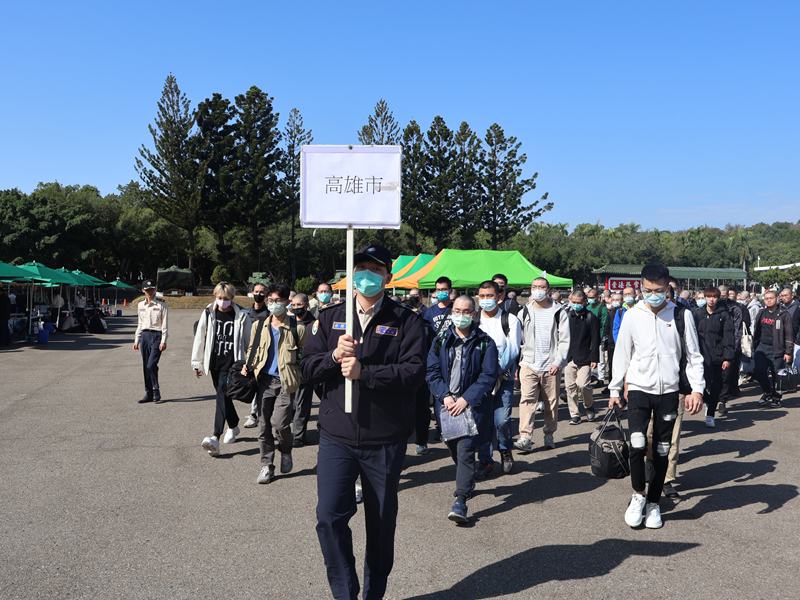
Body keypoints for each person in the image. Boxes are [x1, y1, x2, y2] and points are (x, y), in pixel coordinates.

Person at [301, 244, 427, 600]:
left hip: (384, 439)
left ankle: (374, 594)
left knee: (381, 525)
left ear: (388, 276)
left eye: (375, 270)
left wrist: (365, 373)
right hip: (337, 437)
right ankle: (345, 592)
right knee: (329, 517)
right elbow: (307, 367)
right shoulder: (329, 318)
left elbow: (414, 374)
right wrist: (333, 357)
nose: (367, 276)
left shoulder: (407, 321)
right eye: (361, 269)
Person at [610, 264, 705, 529]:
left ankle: (653, 503)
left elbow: (693, 355)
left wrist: (697, 389)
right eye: (648, 290)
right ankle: (638, 495)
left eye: (658, 290)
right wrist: (615, 389)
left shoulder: (681, 315)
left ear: (667, 288)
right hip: (639, 389)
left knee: (662, 449)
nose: (653, 295)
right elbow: (622, 353)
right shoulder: (632, 315)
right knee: (637, 443)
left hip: (669, 391)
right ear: (641, 287)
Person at [427, 295, 498, 524]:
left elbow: (488, 375)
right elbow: (432, 371)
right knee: (455, 450)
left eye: (466, 311)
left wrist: (467, 399)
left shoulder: (485, 342)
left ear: (474, 314)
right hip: (446, 406)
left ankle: (461, 500)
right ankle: (466, 479)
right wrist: (444, 396)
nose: (461, 315)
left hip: (471, 407)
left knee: (466, 449)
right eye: (457, 310)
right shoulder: (441, 340)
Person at [244, 283, 306, 484]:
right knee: (263, 426)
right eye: (270, 300)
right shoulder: (259, 325)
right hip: (264, 381)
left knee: (280, 424)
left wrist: (300, 375)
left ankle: (285, 450)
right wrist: (248, 365)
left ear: (287, 301)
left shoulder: (298, 328)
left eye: (277, 300)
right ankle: (267, 465)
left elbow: (305, 356)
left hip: (286, 382)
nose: (273, 304)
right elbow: (252, 348)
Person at [191, 282, 249, 456]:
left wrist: (248, 364)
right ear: (215, 297)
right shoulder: (209, 312)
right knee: (223, 396)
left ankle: (215, 436)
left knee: (222, 395)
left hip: (232, 364)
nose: (223, 301)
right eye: (220, 298)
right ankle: (234, 424)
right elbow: (200, 337)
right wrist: (197, 362)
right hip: (214, 362)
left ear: (232, 298)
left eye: (226, 298)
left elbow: (249, 341)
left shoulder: (242, 315)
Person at [514, 277, 570, 453]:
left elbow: (564, 339)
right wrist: (517, 363)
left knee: (551, 402)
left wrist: (558, 361)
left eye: (541, 287)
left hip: (551, 365)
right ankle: (525, 437)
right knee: (527, 400)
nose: (538, 290)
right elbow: (517, 338)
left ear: (548, 290)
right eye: (534, 287)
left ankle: (549, 433)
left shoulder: (559, 312)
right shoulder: (524, 311)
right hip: (529, 363)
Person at [476, 280, 522, 476]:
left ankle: (505, 449)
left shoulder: (510, 320)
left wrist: (495, 371)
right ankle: (485, 460)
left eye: (490, 296)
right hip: (478, 382)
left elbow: (513, 349)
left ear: (499, 297)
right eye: (482, 296)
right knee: (482, 422)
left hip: (503, 378)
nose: (485, 300)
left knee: (501, 420)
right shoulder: (473, 319)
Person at [691, 287, 735, 427]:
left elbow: (728, 336)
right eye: (709, 297)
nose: (711, 300)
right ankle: (707, 401)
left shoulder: (724, 315)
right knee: (702, 383)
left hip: (718, 356)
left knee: (716, 385)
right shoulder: (697, 314)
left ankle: (710, 414)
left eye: (714, 297)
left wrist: (727, 357)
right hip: (701, 355)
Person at [752, 290, 794, 408]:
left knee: (777, 375)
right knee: (758, 371)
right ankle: (767, 392)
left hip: (777, 348)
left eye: (771, 298)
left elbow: (789, 334)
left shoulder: (783, 314)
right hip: (762, 347)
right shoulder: (761, 312)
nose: (769, 300)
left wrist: (788, 352)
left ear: (777, 299)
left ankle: (776, 397)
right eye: (766, 298)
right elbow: (757, 329)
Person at [564, 290, 600, 425]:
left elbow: (595, 339)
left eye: (578, 302)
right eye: (573, 302)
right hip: (569, 357)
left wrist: (594, 358)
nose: (576, 305)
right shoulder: (566, 316)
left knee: (583, 385)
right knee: (570, 388)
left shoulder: (591, 317)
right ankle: (574, 414)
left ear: (584, 302)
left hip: (585, 357)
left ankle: (589, 406)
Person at [403, 288, 432, 455]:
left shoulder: (426, 326)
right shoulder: (400, 326)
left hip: (422, 373)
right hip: (403, 374)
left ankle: (422, 440)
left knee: (422, 409)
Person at [132, 281, 168, 404]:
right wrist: (136, 339)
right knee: (145, 366)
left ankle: (155, 389)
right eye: (147, 290)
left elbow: (165, 325)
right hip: (145, 336)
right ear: (143, 291)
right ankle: (149, 393)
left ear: (155, 289)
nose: (150, 292)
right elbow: (140, 323)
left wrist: (163, 341)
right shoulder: (140, 305)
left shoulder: (162, 305)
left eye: (152, 289)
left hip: (157, 336)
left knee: (151, 365)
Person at [290, 292, 316, 447]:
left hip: (306, 368)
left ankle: (298, 436)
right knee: (290, 403)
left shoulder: (314, 324)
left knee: (302, 403)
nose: (296, 308)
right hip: (290, 368)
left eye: (299, 305)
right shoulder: (289, 321)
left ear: (306, 305)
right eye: (293, 305)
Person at [243, 283, 269, 429]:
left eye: (262, 292)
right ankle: (256, 412)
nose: (258, 294)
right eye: (256, 291)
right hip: (246, 352)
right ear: (252, 292)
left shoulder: (269, 315)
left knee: (258, 383)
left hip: (260, 354)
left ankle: (254, 414)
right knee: (250, 383)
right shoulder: (246, 313)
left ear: (266, 295)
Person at [718, 284, 744, 400]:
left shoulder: (735, 308)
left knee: (730, 372)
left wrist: (733, 347)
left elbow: (738, 329)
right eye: (720, 295)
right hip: (716, 344)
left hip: (731, 344)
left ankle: (725, 395)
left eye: (724, 295)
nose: (722, 298)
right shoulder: (713, 307)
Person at [586, 288, 609, 382]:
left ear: (597, 297)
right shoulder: (587, 307)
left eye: (592, 297)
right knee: (588, 357)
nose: (590, 299)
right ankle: (591, 375)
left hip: (599, 337)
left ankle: (601, 378)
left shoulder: (602, 308)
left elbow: (604, 324)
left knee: (600, 358)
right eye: (589, 297)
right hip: (588, 337)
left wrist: (602, 337)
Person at [778, 288, 800, 368]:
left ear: (792, 295)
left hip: (794, 341)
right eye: (782, 296)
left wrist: (797, 340)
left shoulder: (797, 307)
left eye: (786, 295)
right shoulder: (780, 307)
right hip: (781, 340)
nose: (783, 297)